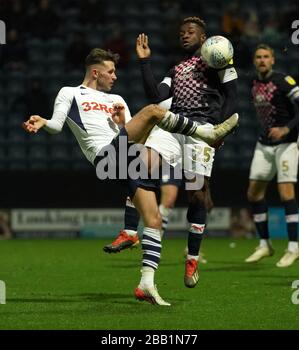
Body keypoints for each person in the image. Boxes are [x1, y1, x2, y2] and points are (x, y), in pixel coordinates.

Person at [23, 48, 238, 306]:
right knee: (152, 111)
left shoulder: (118, 99)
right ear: (95, 72)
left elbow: (136, 135)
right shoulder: (70, 92)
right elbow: (57, 125)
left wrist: (123, 121)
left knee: (154, 220)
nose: (115, 76)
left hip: (125, 158)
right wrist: (43, 122)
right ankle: (208, 134)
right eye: (110, 71)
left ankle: (146, 283)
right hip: (107, 158)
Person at [104, 17, 238, 287]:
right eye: (181, 33)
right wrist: (145, 61)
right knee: (137, 165)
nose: (184, 35)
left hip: (202, 131)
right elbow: (155, 96)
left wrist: (221, 130)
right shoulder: (176, 69)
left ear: (203, 38)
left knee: (197, 195)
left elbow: (232, 96)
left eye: (190, 32)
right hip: (174, 126)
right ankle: (130, 231)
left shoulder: (218, 58)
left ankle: (192, 259)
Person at [245, 44, 299, 267]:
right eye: (258, 57)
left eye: (266, 57)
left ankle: (293, 248)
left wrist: (287, 129)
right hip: (264, 143)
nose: (262, 60)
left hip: (287, 143)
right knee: (254, 193)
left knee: (286, 192)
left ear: (273, 60)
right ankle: (265, 244)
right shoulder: (254, 82)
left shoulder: (283, 81)